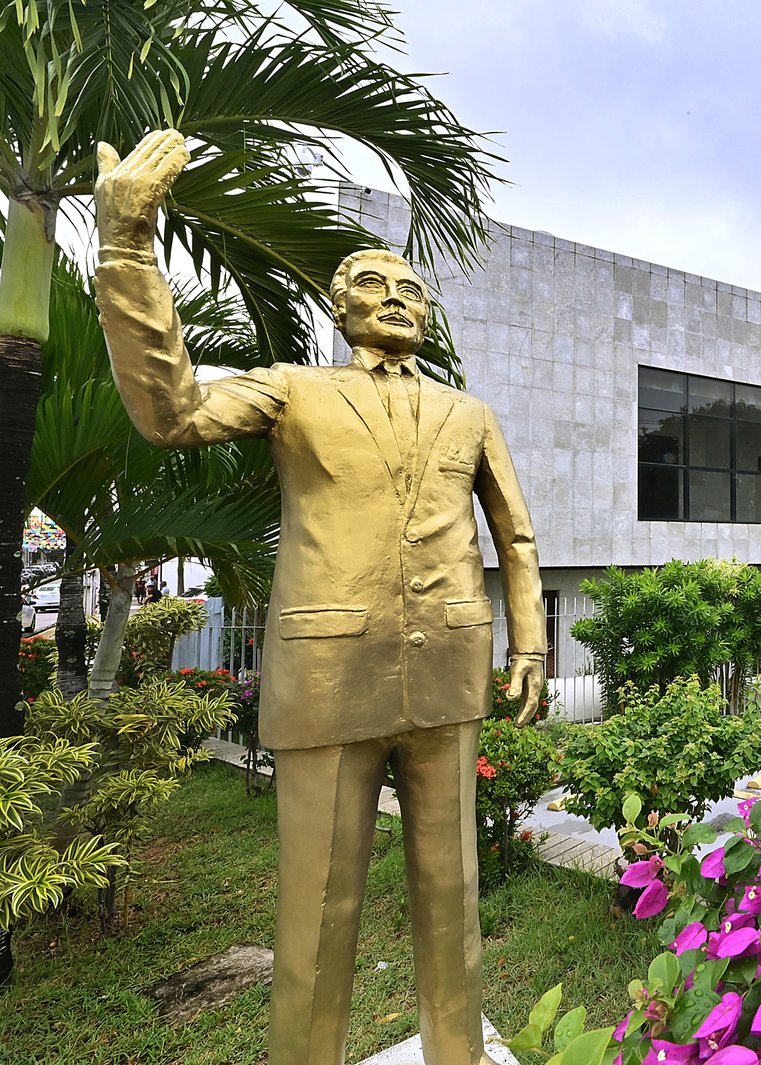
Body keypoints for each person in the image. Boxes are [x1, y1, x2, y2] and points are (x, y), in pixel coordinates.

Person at [93, 129, 546, 1065]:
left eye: (412, 288)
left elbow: (515, 535)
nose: (396, 299)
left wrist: (530, 644)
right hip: (331, 676)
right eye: (374, 286)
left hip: (449, 674)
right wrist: (129, 246)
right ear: (340, 308)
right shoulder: (295, 391)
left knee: (452, 897)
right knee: (317, 915)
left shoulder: (470, 413)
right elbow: (171, 413)